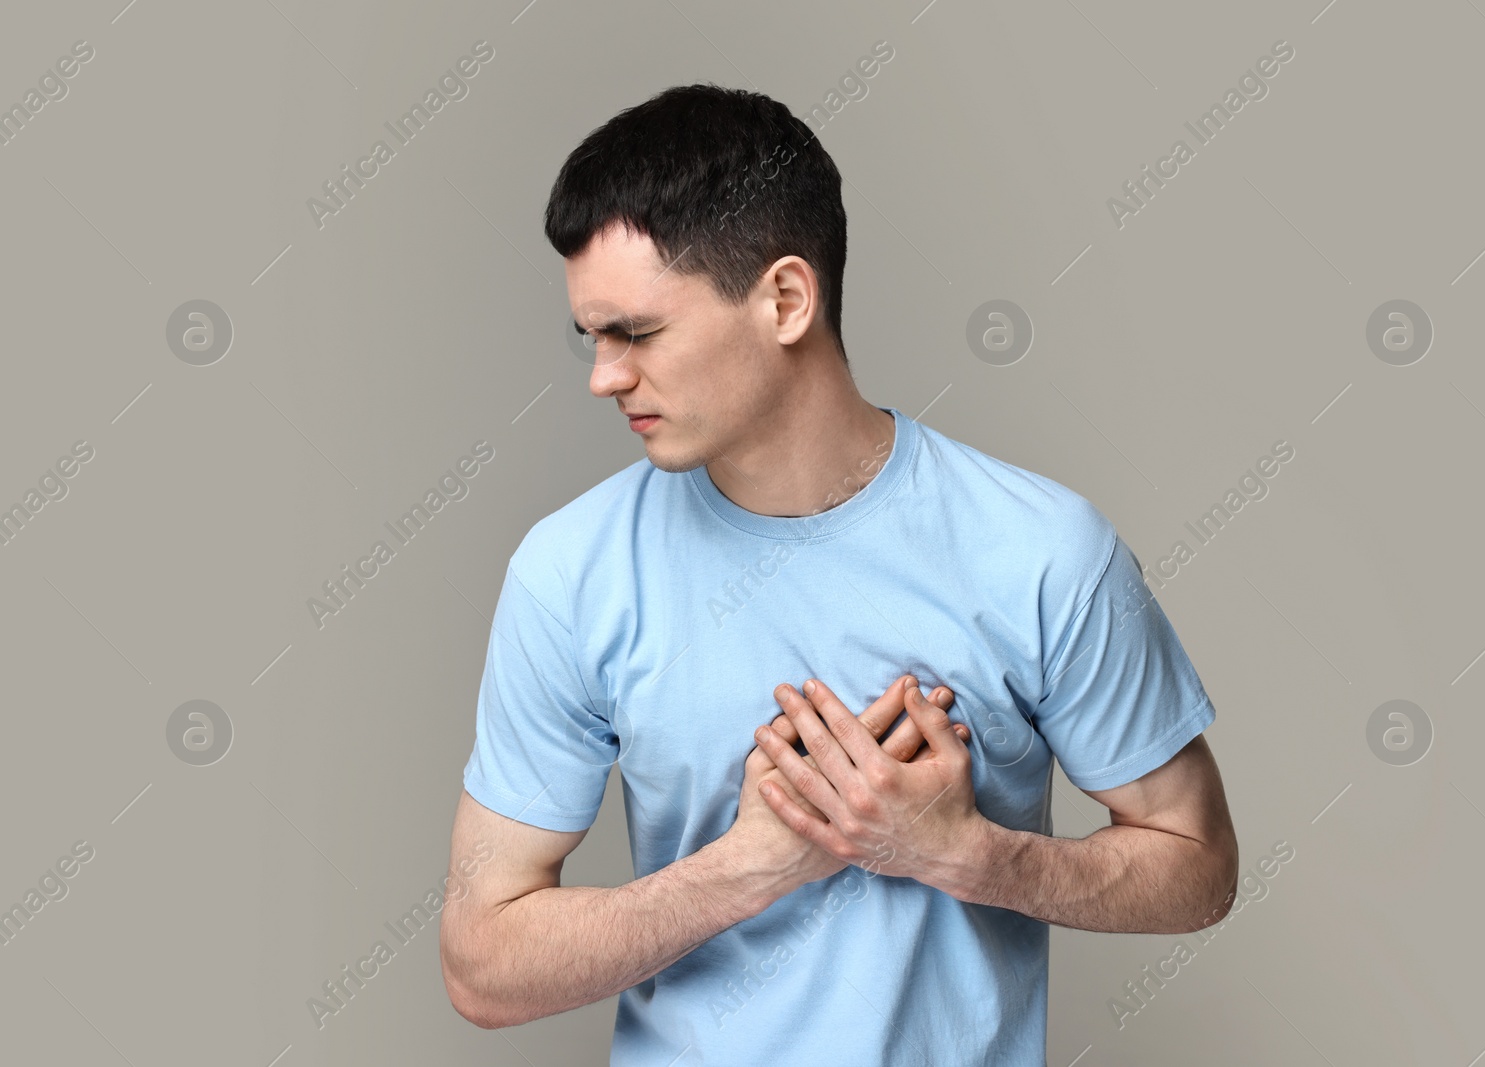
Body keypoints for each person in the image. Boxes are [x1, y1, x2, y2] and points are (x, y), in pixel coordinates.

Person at [439, 82, 1237, 1065]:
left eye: (636, 333)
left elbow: (1198, 865)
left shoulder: (1041, 549)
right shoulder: (569, 572)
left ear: (784, 299)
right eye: (591, 337)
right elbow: (480, 961)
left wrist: (969, 854)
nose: (603, 375)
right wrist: (748, 868)